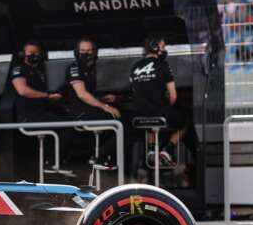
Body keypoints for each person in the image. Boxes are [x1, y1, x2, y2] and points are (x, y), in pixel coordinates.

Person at [62, 37, 120, 165]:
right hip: (80, 114)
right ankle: (99, 157)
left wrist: (102, 99)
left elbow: (87, 95)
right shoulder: (75, 67)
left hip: (88, 111)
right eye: (82, 50)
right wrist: (105, 106)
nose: (85, 54)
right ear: (77, 51)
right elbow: (82, 94)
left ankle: (101, 156)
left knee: (119, 117)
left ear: (94, 52)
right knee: (118, 122)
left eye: (89, 51)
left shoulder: (90, 69)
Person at [129, 36, 184, 166]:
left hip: (140, 116)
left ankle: (152, 150)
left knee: (149, 121)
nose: (165, 50)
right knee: (186, 120)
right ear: (155, 47)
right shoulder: (162, 65)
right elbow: (173, 96)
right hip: (161, 115)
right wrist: (166, 109)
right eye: (163, 47)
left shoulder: (134, 67)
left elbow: (136, 94)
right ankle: (167, 149)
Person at [10, 40, 63, 122]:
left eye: (36, 52)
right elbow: (22, 91)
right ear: (24, 54)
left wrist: (53, 97)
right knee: (65, 125)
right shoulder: (19, 69)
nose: (33, 55)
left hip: (42, 112)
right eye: (30, 52)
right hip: (28, 116)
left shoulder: (40, 71)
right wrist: (46, 95)